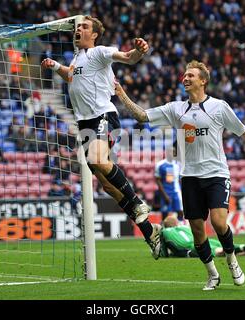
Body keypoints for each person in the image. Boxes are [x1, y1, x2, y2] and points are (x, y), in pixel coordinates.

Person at [115, 60, 245, 290]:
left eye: (191, 75)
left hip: (217, 174)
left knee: (219, 224)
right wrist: (121, 93)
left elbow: (242, 130)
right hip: (189, 176)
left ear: (203, 80)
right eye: (184, 75)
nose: (185, 78)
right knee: (198, 231)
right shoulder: (175, 109)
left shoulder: (219, 107)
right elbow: (142, 116)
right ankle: (212, 274)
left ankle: (232, 260)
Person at [41, 15, 161, 257]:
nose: (78, 29)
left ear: (94, 34)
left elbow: (128, 58)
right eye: (78, 27)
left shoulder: (99, 52)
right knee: (106, 185)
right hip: (84, 123)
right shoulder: (76, 60)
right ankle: (150, 230)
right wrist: (55, 66)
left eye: (84, 27)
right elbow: (72, 76)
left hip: (103, 115)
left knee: (98, 159)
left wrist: (139, 51)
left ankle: (137, 202)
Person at [160, 216, 245, 258]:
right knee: (230, 248)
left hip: (193, 247)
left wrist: (170, 255)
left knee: (221, 253)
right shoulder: (184, 227)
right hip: (206, 240)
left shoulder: (165, 232)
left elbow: (164, 253)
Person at [154, 144, 184, 221]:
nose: (173, 153)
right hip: (166, 192)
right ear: (166, 152)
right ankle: (164, 229)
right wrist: (165, 195)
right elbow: (158, 180)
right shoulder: (160, 165)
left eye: (174, 152)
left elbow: (179, 180)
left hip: (176, 192)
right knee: (165, 213)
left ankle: (179, 227)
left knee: (180, 211)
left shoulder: (177, 165)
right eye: (171, 151)